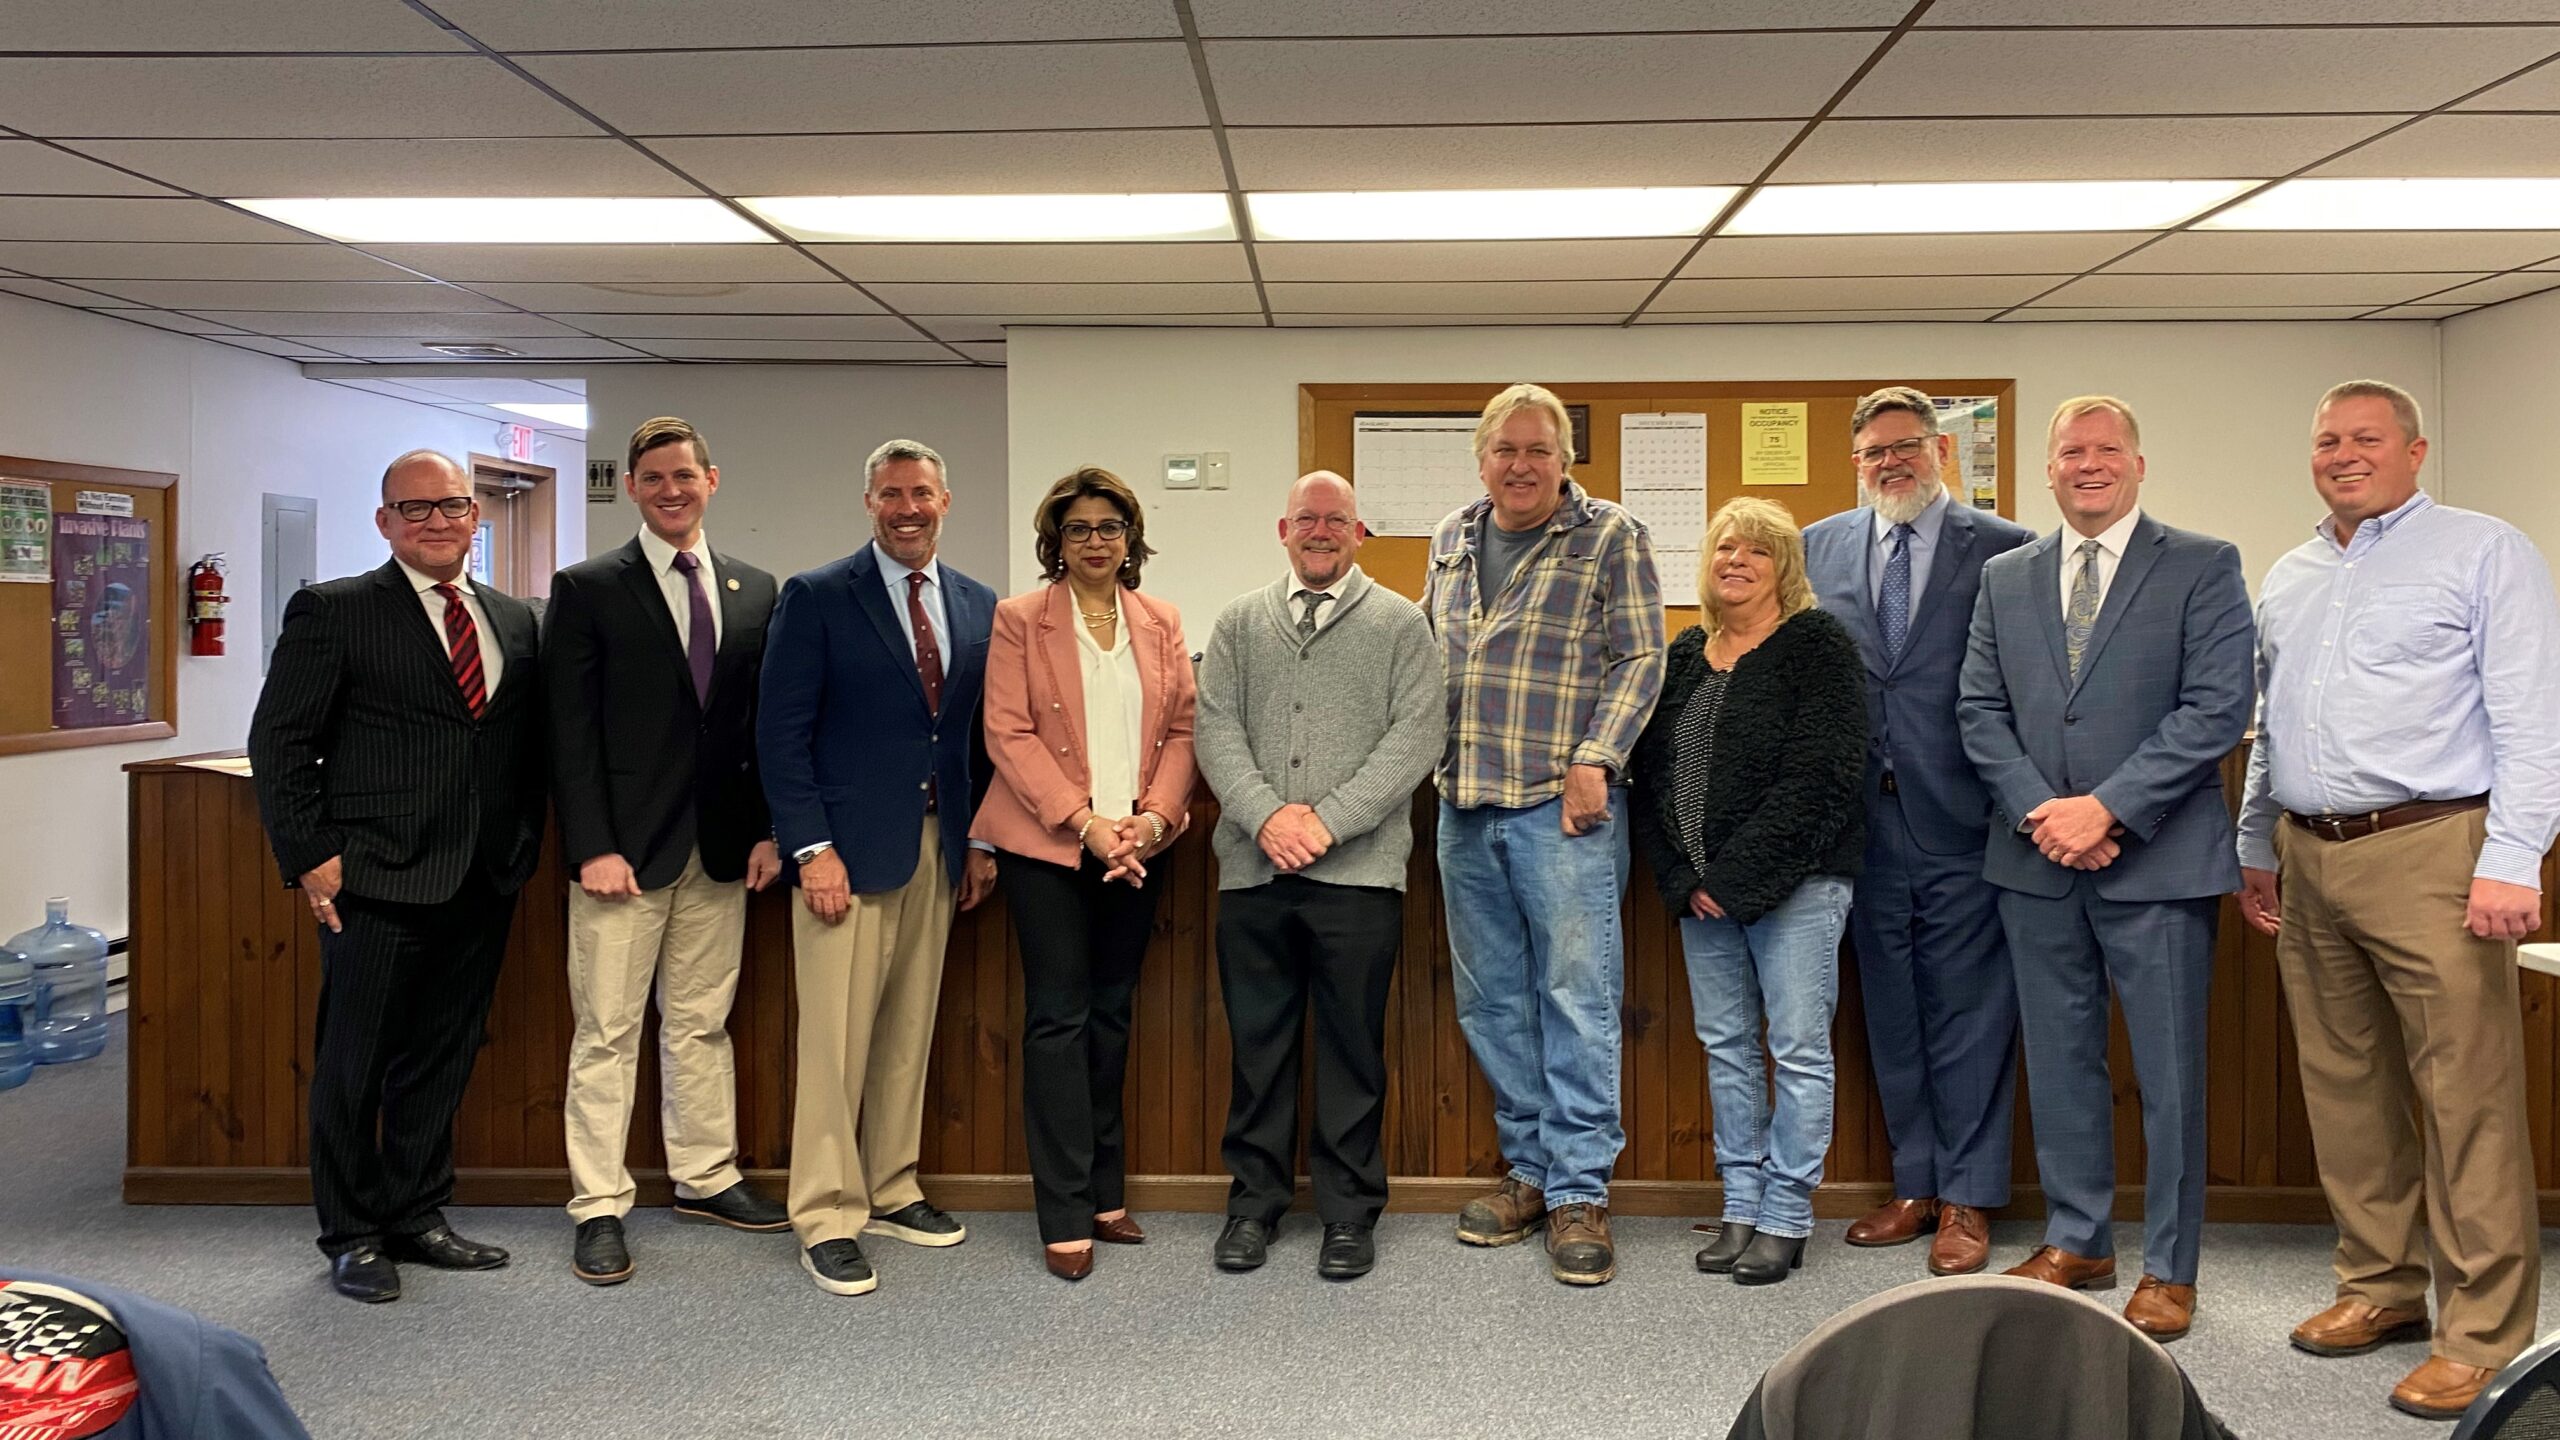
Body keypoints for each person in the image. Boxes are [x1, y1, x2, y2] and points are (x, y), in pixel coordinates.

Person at [2236, 380, 2560, 1421]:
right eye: (2326, 438)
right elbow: (2272, 723)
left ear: (2414, 451)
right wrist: (2256, 843)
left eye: (2365, 438)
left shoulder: (2482, 551)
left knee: (2465, 1101)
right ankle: (2378, 1290)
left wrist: (2515, 857)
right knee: (2345, 1091)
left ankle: (2482, 1333)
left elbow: (2532, 717)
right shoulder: (2288, 573)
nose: (2342, 453)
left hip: (2433, 849)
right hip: (2309, 851)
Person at [1957, 396, 2254, 1342]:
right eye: (2071, 453)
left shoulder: (2203, 565)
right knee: (2061, 1063)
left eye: (2106, 450)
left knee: (2169, 1073)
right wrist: (2046, 816)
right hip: (2035, 859)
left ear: (2137, 463)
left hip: (2157, 863)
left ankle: (2171, 1266)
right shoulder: (2007, 576)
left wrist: (2108, 809)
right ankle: (2079, 1236)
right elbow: (1978, 710)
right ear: (2048, 471)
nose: (2089, 465)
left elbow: (2216, 708)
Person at [247, 450, 546, 1304]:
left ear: (476, 517)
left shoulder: (511, 618)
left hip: (483, 876)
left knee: (442, 1055)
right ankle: (351, 1234)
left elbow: (513, 742)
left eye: (451, 506)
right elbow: (280, 741)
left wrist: (520, 841)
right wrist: (309, 856)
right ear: (384, 522)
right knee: (355, 1061)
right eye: (414, 510)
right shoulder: (335, 611)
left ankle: (417, 1216)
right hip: (374, 877)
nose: (437, 522)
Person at [1425, 382, 1664, 1286]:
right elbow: (1429, 647)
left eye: (1538, 450)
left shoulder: (1611, 534)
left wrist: (1597, 755)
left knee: (1576, 997)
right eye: (1504, 450)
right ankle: (1528, 1170)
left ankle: (1578, 1189)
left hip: (1564, 807)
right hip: (1464, 800)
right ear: (1482, 460)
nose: (1520, 466)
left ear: (1565, 461)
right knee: (1491, 1001)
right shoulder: (1453, 535)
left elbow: (1643, 653)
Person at [544, 416, 789, 1287]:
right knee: (607, 1032)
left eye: (684, 475)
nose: (671, 490)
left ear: (711, 480)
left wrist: (767, 830)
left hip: (720, 851)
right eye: (653, 478)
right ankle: (599, 1204)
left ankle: (706, 1176)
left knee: (699, 1024)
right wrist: (592, 847)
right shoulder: (587, 588)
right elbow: (567, 735)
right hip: (623, 857)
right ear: (634, 488)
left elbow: (761, 729)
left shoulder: (755, 588)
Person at [758, 437, 999, 1297]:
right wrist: (810, 849)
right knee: (834, 1043)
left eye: (922, 494)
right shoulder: (819, 597)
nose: (908, 508)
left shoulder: (975, 602)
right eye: (892, 494)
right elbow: (780, 734)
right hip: (845, 857)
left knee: (907, 1031)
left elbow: (973, 737)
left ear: (946, 500)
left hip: (937, 847)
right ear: (870, 502)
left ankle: (892, 1186)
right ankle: (825, 1212)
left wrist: (976, 842)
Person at [1805, 388, 2034, 1277]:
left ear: (1941, 449)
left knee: (1971, 1007)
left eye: (1905, 447)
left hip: (1967, 812)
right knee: (1891, 1009)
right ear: (1855, 461)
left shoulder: (2008, 549)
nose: (1889, 463)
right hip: (1861, 816)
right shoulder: (1820, 545)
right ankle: (1916, 1183)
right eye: (1872, 453)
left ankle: (1970, 1200)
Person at [1193, 471, 1444, 1281]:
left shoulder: (1404, 626)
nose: (1322, 530)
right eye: (1308, 518)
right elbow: (1214, 729)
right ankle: (1253, 1207)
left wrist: (1325, 821)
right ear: (1283, 529)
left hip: (1361, 877)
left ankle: (1347, 1215)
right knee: (1258, 1047)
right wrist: (1267, 817)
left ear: (1360, 532)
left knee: (1350, 1049)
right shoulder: (1238, 625)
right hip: (1253, 874)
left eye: (1337, 520)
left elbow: (1416, 738)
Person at [1630, 497, 1865, 1286]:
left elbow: (1823, 778)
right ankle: (1741, 1202)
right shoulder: (1687, 652)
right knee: (1727, 1048)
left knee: (1797, 1050)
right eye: (1725, 547)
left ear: (1785, 569)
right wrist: (1684, 881)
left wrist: (1734, 881)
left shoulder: (1817, 647)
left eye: (1758, 551)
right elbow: (1651, 776)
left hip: (1795, 889)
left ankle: (1788, 1212)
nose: (1737, 559)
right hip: (1701, 898)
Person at [971, 467, 1197, 1283]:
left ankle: (1107, 1191)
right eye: (1078, 529)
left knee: (1111, 1016)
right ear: (1055, 542)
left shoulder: (1161, 620)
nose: (1095, 541)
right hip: (1050, 848)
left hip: (1137, 849)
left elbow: (1181, 730)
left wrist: (1154, 821)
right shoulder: (1019, 620)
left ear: (1130, 539)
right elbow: (1008, 733)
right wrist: (1087, 824)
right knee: (1059, 1022)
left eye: (1109, 527)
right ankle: (1064, 1210)